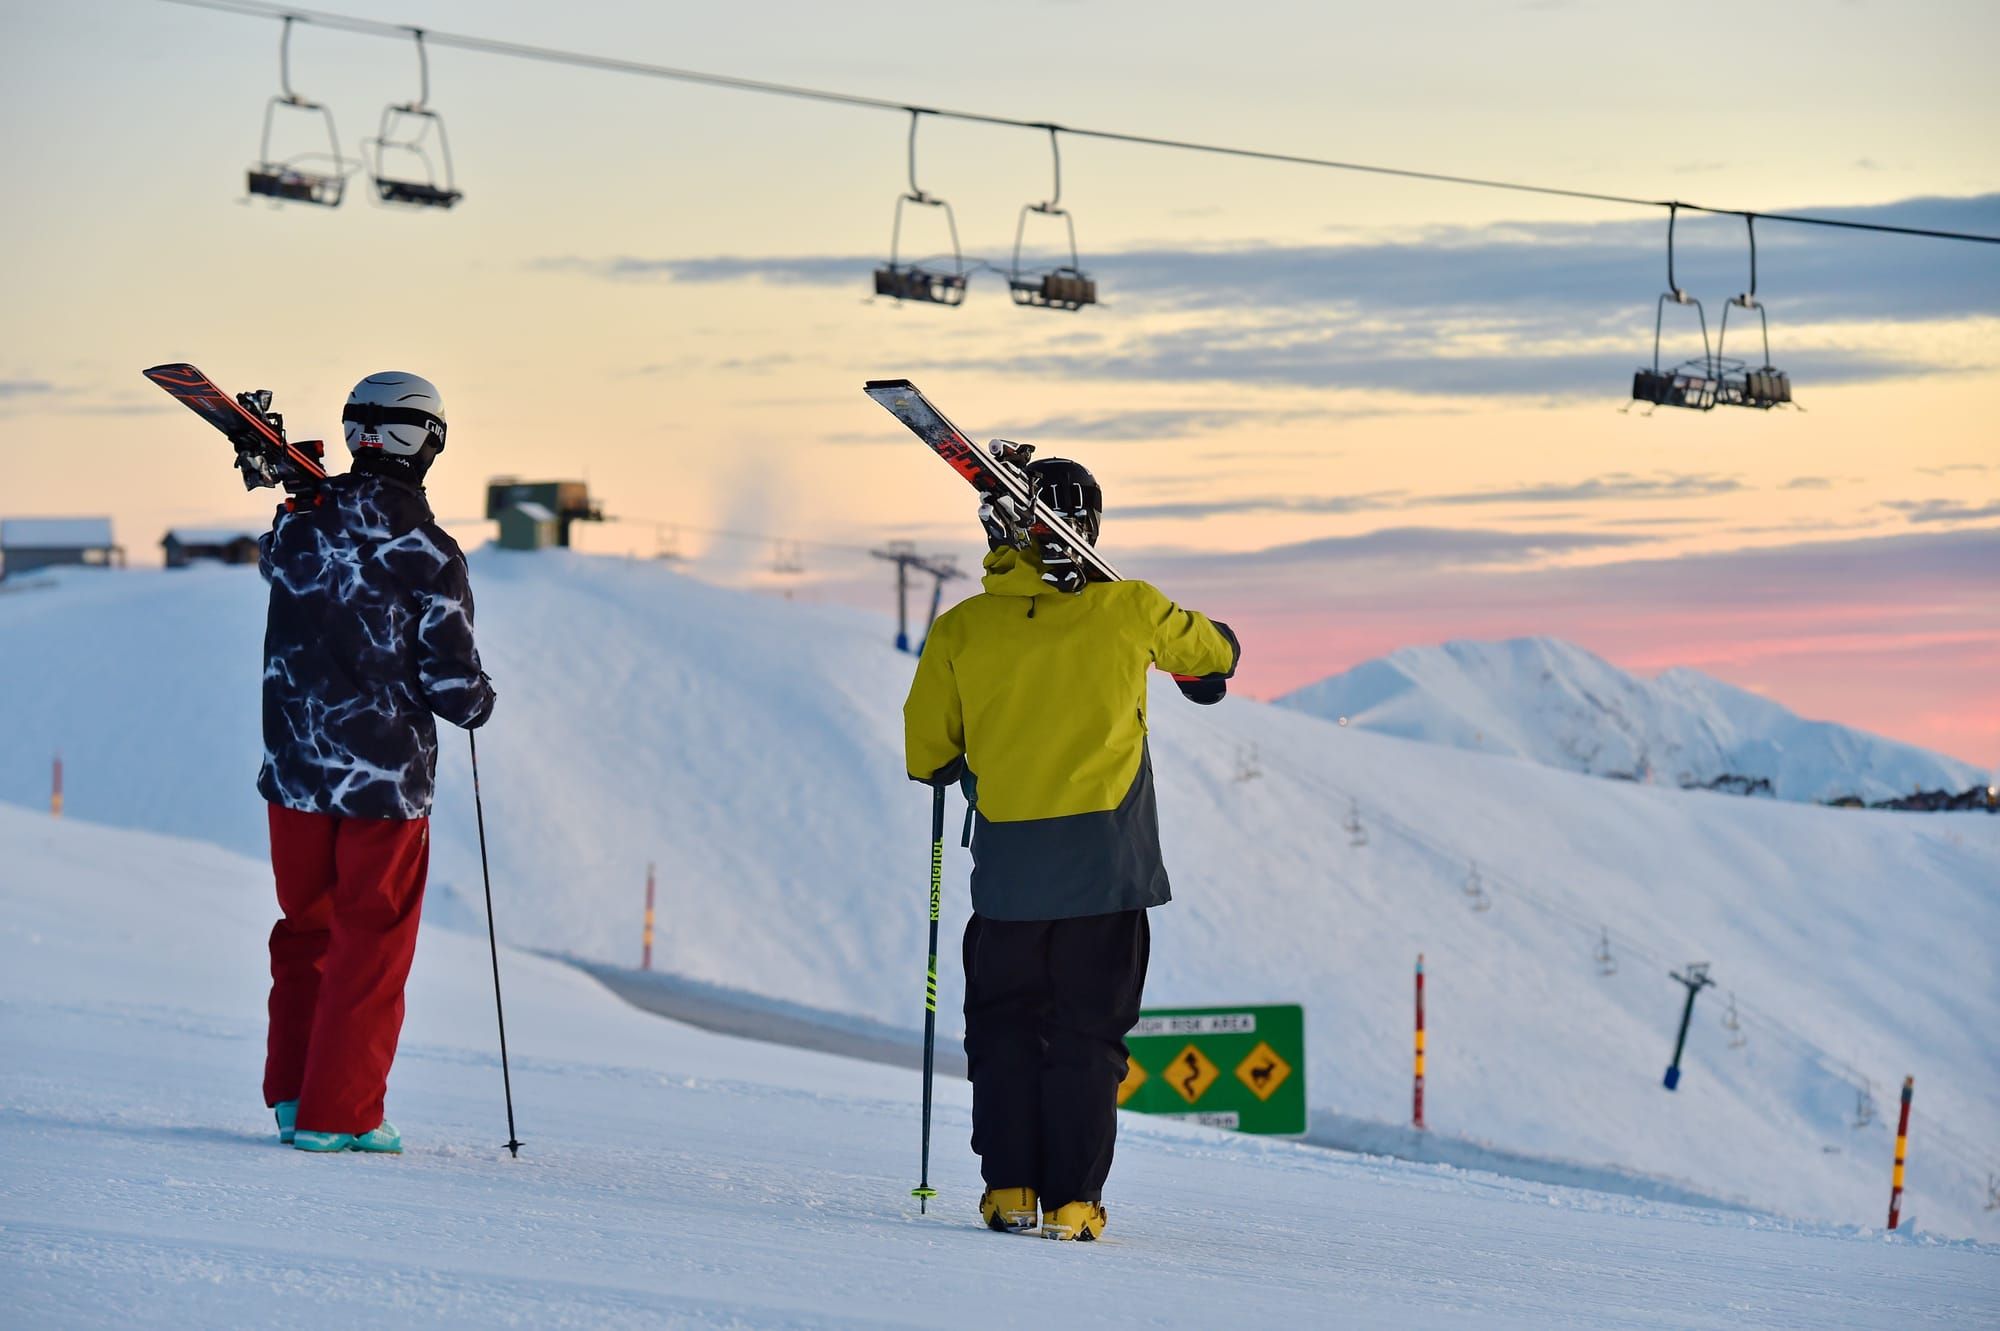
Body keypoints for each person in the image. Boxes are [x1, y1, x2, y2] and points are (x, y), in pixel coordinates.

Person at [902, 458, 1239, 1241]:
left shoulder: (962, 628)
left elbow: (928, 754)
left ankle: (1009, 1190)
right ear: (1087, 527)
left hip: (1009, 878)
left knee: (1004, 1028)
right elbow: (1213, 655)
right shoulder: (1129, 609)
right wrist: (1211, 653)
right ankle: (1073, 1204)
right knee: (1088, 1034)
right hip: (1106, 873)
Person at [258, 371, 496, 1154]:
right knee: (371, 940)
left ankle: (295, 1098)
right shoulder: (429, 552)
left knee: (306, 929)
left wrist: (304, 496)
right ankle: (342, 1112)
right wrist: (481, 700)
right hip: (382, 783)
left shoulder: (299, 525)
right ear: (428, 441)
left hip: (294, 770)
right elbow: (452, 688)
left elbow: (276, 561)